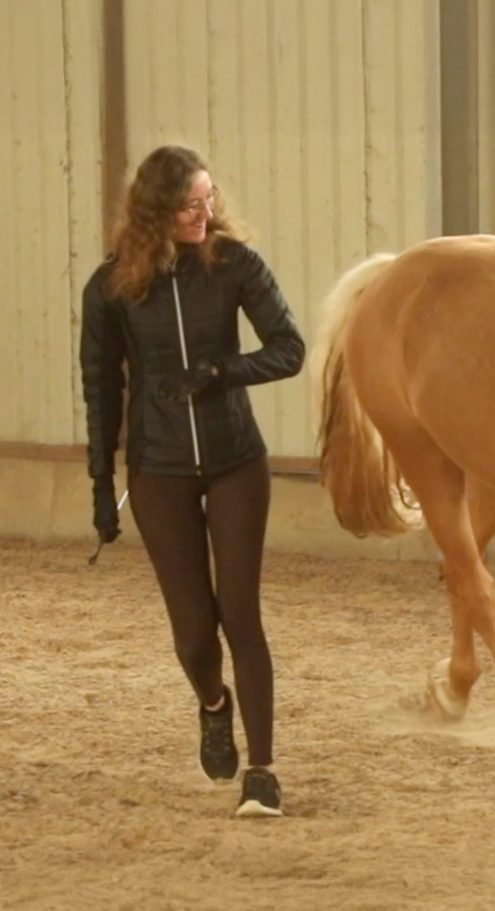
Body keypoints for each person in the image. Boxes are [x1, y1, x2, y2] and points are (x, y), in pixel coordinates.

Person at [80, 145, 305, 818]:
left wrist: (220, 371)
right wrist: (101, 483)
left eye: (208, 200)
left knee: (240, 613)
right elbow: (101, 387)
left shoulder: (235, 264)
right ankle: (213, 703)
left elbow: (289, 349)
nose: (203, 214)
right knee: (193, 634)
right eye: (188, 205)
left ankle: (262, 772)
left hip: (236, 459)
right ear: (155, 212)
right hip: (159, 467)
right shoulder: (110, 287)